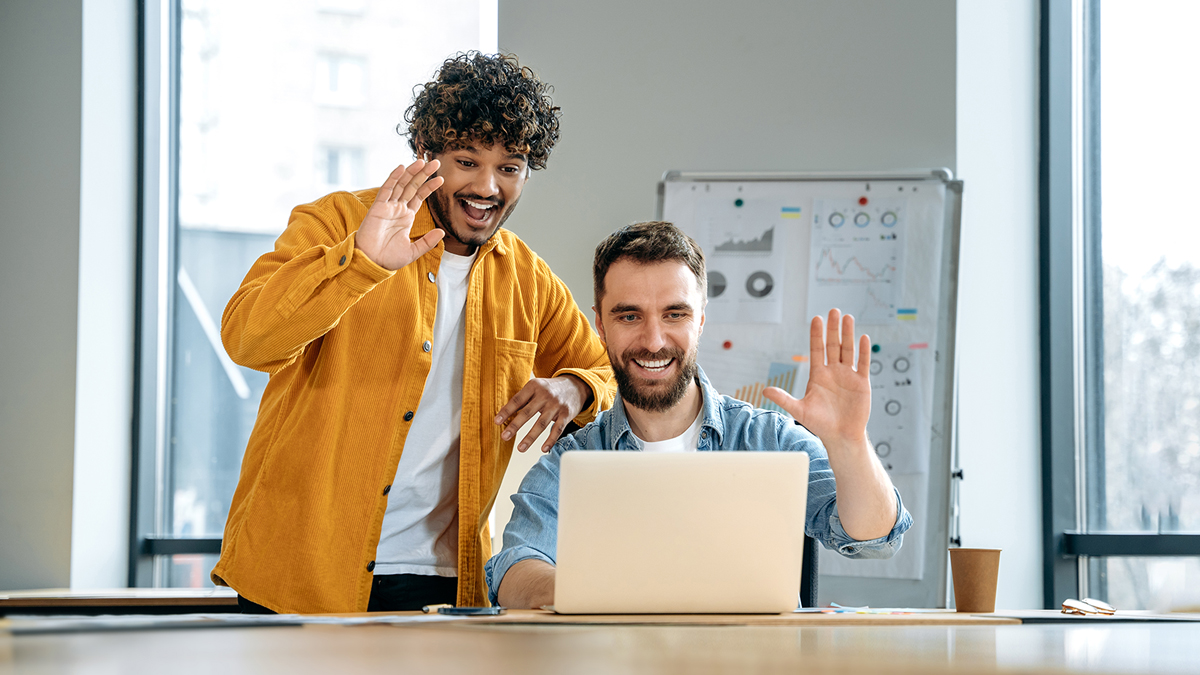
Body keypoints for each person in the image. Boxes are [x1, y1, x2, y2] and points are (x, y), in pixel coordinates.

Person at [213, 52, 616, 614]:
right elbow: (247, 340)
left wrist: (575, 386)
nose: (487, 186)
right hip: (302, 572)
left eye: (510, 166)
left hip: (444, 582)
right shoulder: (336, 221)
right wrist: (360, 263)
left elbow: (606, 371)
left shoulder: (527, 278)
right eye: (466, 160)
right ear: (427, 157)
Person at [485, 221, 912, 609]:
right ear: (600, 324)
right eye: (629, 316)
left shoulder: (768, 439)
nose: (653, 341)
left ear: (702, 318)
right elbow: (515, 571)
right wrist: (619, 597)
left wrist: (848, 441)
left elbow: (874, 539)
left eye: (675, 314)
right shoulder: (571, 463)